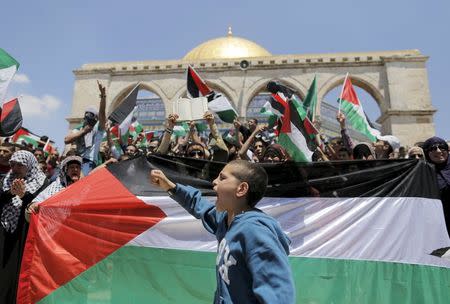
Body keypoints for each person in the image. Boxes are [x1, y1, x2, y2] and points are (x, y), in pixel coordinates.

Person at [149, 160, 295, 303]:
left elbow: (278, 295)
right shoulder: (227, 220)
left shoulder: (255, 231)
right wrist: (170, 187)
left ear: (241, 189)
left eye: (222, 178)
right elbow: (201, 207)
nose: (214, 181)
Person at [0, 150, 49, 304]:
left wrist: (24, 196)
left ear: (29, 166)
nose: (14, 168)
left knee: (14, 275)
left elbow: (39, 207)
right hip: (4, 231)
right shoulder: (5, 180)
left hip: (23, 234)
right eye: (12, 164)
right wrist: (9, 193)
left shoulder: (42, 183)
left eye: (20, 165)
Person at [64, 81, 106, 176]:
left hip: (89, 162)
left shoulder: (97, 130)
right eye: (87, 115)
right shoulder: (78, 130)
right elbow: (67, 140)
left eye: (92, 116)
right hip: (77, 161)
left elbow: (102, 114)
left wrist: (103, 96)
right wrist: (84, 131)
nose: (88, 118)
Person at [25, 156, 83, 221]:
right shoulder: (56, 186)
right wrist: (33, 206)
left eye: (77, 167)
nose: (75, 169)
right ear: (65, 170)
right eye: (72, 167)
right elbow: (39, 201)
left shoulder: (84, 187)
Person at [423, 136, 450, 237]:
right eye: (433, 148)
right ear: (426, 153)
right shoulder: (422, 172)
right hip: (438, 223)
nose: (438, 151)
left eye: (442, 147)